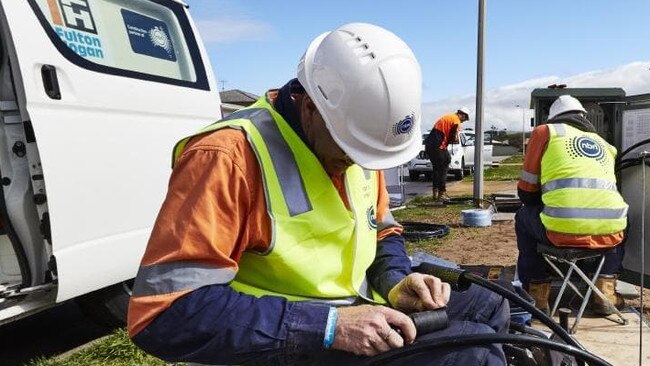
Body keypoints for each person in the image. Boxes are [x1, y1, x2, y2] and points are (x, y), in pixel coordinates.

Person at [127, 23, 509, 365]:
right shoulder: (228, 157)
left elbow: (383, 232)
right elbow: (162, 314)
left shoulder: (355, 144)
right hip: (280, 342)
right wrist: (328, 326)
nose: (357, 163)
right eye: (351, 150)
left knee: (491, 306)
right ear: (310, 106)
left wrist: (394, 281)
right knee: (471, 356)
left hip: (356, 311)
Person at [515, 95, 628, 315]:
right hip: (608, 235)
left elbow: (526, 192)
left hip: (559, 232)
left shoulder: (545, 132)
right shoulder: (606, 145)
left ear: (553, 117)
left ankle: (537, 295)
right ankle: (605, 292)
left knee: (523, 217)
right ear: (584, 118)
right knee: (621, 221)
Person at [424, 107, 470, 202]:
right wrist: (454, 139)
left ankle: (435, 193)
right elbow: (453, 137)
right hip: (438, 146)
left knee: (437, 168)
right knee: (443, 168)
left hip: (430, 146)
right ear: (462, 115)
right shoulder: (456, 121)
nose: (463, 122)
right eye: (464, 119)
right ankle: (441, 193)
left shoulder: (448, 117)